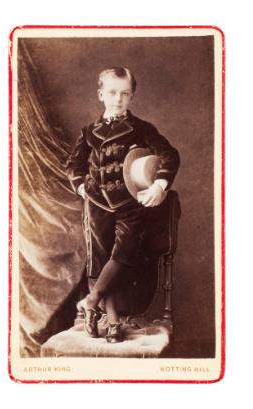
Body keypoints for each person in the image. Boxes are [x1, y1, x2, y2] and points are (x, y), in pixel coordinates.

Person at [66, 67, 180, 343]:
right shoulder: (89, 131)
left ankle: (91, 300)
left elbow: (169, 155)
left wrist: (158, 185)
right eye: (113, 92)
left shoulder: (141, 129)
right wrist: (81, 185)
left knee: (123, 254)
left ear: (132, 96)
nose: (118, 99)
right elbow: (73, 164)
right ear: (101, 94)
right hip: (96, 204)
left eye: (125, 94)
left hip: (129, 204)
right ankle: (113, 323)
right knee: (102, 257)